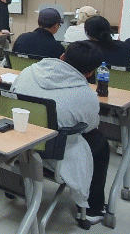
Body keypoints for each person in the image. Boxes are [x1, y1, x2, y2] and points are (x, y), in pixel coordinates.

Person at [11, 41, 109, 224]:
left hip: (17, 143)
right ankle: (93, 209)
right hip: (52, 152)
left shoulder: (29, 71)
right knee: (100, 142)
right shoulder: (85, 95)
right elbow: (90, 127)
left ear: (62, 57)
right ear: (90, 73)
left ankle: (15, 182)